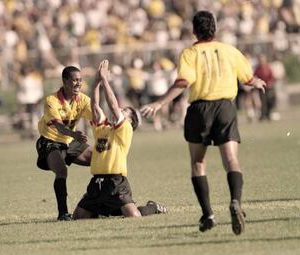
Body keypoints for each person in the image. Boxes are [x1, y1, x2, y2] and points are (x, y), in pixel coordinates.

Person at [141, 11, 266, 235]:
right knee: (232, 160)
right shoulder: (230, 51)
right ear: (215, 29)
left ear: (194, 31)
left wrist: (160, 103)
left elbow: (183, 82)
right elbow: (247, 79)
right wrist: (257, 82)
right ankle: (235, 201)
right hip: (226, 108)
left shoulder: (190, 53)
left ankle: (208, 214)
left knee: (198, 164)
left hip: (200, 110)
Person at [73, 60, 167, 220]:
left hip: (115, 182)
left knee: (133, 216)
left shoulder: (125, 130)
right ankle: (101, 209)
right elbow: (95, 106)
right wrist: (96, 81)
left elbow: (113, 106)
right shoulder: (103, 128)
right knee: (78, 217)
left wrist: (105, 80)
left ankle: (152, 207)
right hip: (97, 183)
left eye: (126, 112)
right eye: (123, 109)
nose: (121, 111)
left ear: (130, 121)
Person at [36, 65, 93, 221]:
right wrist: (74, 134)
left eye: (80, 80)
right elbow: (60, 127)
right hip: (50, 141)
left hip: (69, 141)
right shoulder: (51, 100)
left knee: (100, 160)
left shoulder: (83, 99)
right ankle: (63, 214)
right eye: (74, 80)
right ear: (65, 81)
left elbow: (96, 117)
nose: (78, 84)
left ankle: (96, 201)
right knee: (61, 171)